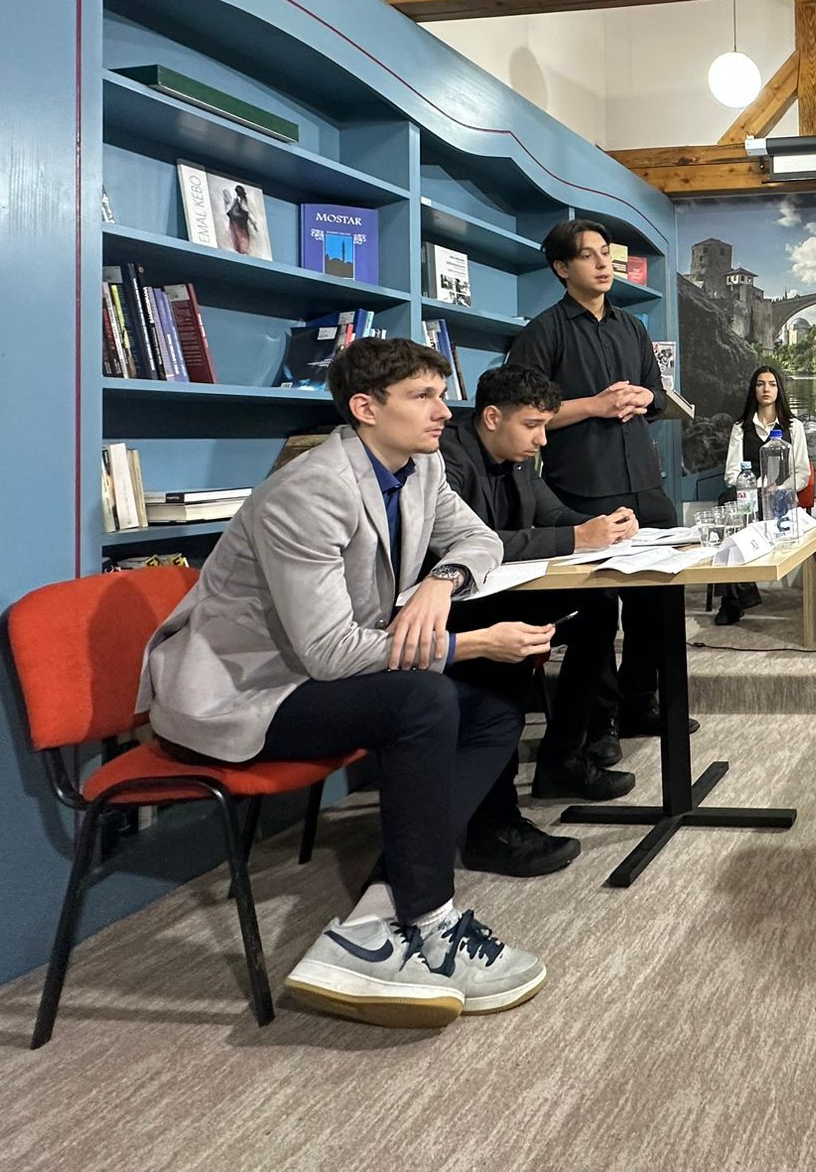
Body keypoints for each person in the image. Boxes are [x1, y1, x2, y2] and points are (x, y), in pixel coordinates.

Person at [138, 337, 552, 1028]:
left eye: (440, 394)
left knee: (494, 708)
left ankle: (378, 916)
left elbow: (481, 540)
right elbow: (331, 653)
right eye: (422, 396)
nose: (443, 411)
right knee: (425, 697)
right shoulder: (309, 492)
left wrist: (441, 583)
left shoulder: (419, 467)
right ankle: (430, 919)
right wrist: (474, 642)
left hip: (313, 673)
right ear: (365, 407)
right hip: (243, 693)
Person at [437, 364, 642, 864]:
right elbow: (472, 542)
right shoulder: (447, 460)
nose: (542, 440)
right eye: (532, 426)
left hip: (504, 592)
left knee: (597, 605)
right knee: (506, 645)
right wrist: (575, 538)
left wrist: (602, 526)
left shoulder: (520, 457)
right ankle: (491, 825)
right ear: (492, 418)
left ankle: (562, 758)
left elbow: (552, 515)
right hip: (452, 605)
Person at [507, 218, 691, 757]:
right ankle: (600, 722)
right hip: (582, 487)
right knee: (598, 609)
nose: (603, 263)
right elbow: (523, 412)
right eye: (588, 255)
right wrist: (595, 405)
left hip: (644, 482)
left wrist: (644, 398)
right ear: (562, 268)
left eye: (606, 253)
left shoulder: (631, 327)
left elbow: (657, 395)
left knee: (658, 597)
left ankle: (641, 701)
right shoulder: (544, 331)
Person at [715, 364, 812, 626]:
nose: (766, 389)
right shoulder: (740, 427)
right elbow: (731, 473)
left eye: (771, 384)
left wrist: (777, 487)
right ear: (753, 390)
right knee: (728, 501)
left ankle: (734, 599)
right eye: (760, 384)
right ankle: (735, 596)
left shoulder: (793, 426)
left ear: (779, 389)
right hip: (748, 494)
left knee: (734, 509)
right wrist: (755, 486)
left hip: (781, 497)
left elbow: (802, 473)